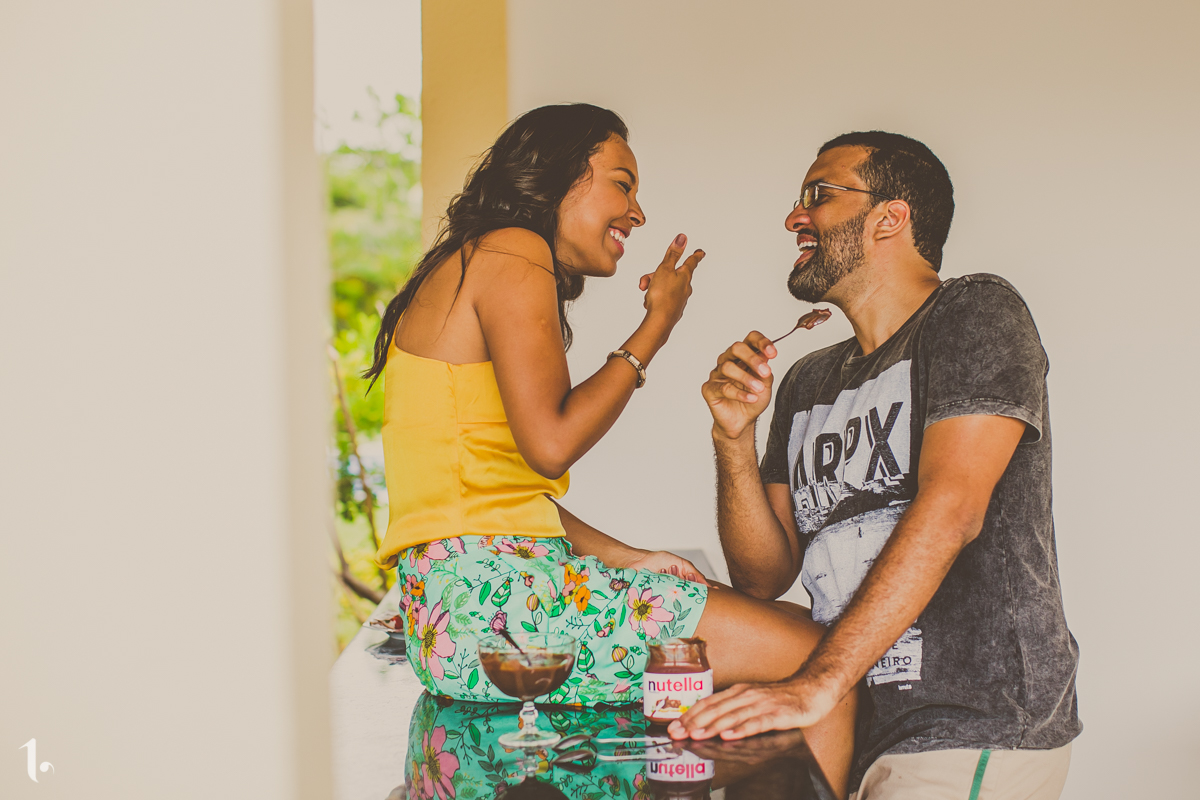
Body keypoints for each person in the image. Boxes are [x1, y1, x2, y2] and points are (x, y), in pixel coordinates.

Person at [365, 104, 856, 796]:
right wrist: (655, 326)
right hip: (500, 610)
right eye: (621, 184)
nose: (638, 212)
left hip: (467, 609)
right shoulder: (513, 249)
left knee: (777, 629)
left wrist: (629, 557)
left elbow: (496, 498)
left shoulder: (476, 257)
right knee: (816, 656)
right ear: (560, 176)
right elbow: (551, 445)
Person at [675, 131, 1081, 800]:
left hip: (969, 728)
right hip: (850, 728)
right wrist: (733, 440)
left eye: (819, 195)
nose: (794, 217)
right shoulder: (808, 382)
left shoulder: (974, 311)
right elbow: (763, 574)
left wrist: (815, 683)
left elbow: (953, 509)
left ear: (890, 216)